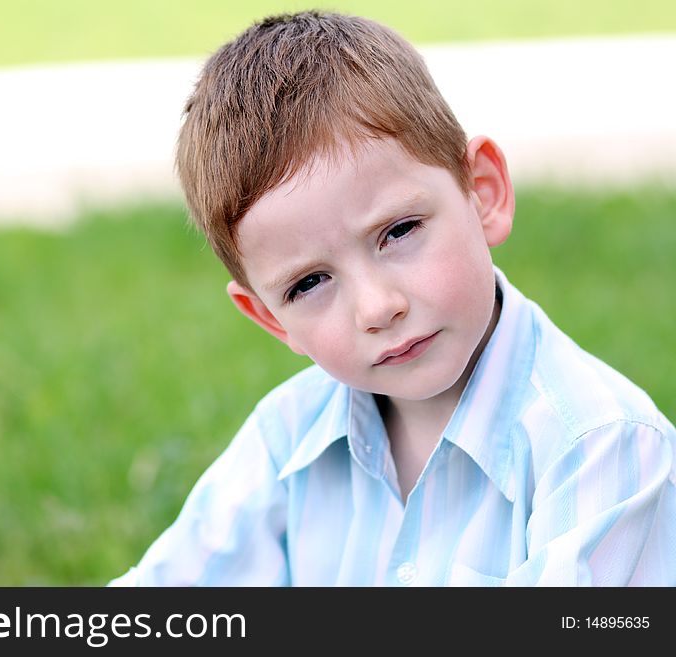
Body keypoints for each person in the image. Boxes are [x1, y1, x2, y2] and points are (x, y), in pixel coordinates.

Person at [109, 11, 675, 586]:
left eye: (399, 231)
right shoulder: (285, 439)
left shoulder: (601, 449)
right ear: (272, 320)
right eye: (309, 284)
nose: (377, 307)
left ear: (483, 193)